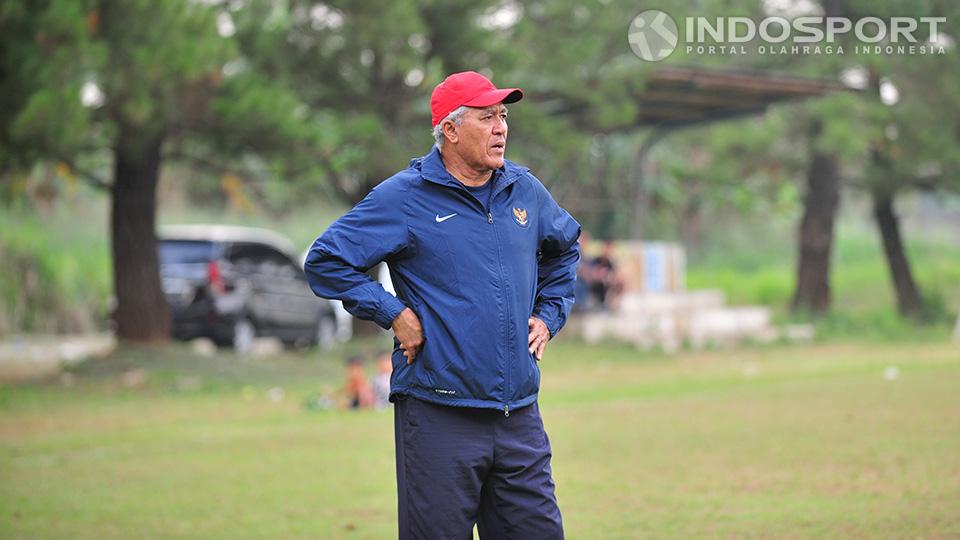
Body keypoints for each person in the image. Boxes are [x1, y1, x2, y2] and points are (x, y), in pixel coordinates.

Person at [305, 70, 580, 539]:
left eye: (503, 115)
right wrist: (392, 312)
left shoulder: (526, 191)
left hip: (519, 418)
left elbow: (564, 249)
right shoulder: (403, 197)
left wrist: (550, 315)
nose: (501, 127)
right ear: (450, 130)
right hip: (438, 416)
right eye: (486, 116)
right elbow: (325, 261)